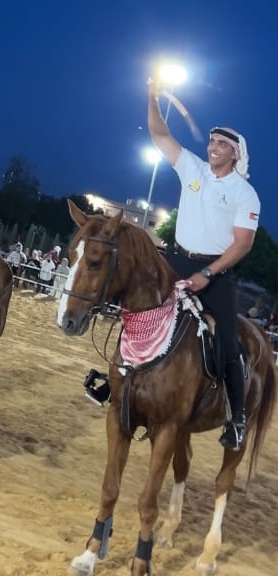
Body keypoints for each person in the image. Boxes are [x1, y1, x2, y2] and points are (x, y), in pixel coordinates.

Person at [86, 74, 261, 452]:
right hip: (177, 259)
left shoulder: (245, 193)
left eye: (222, 144)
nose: (213, 147)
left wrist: (208, 273)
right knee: (137, 306)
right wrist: (151, 97)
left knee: (228, 342)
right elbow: (160, 134)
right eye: (212, 141)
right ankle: (117, 381)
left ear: (235, 153)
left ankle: (237, 417)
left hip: (217, 271)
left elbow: (243, 244)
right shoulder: (193, 168)